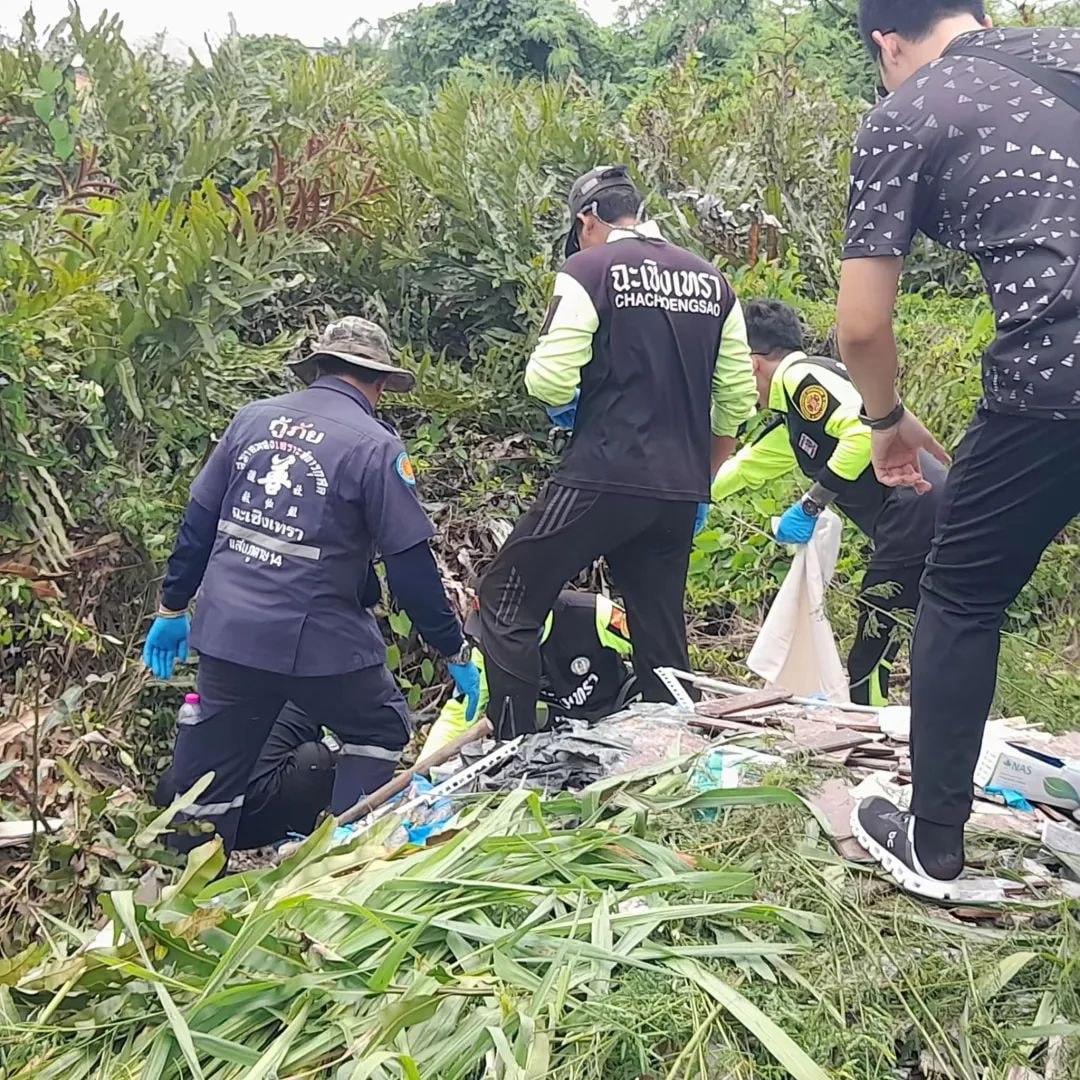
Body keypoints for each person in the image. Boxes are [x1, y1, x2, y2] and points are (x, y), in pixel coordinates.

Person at [836, 2, 1080, 896]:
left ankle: (932, 840)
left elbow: (860, 327)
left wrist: (886, 417)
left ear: (886, 42)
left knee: (962, 593)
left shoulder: (907, 112)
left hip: (1060, 375)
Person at [141, 317, 481, 854]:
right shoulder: (376, 446)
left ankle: (184, 903)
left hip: (228, 635)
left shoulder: (251, 420)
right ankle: (339, 865)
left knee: (212, 772)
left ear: (318, 367)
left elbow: (198, 521)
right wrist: (452, 646)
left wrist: (171, 607)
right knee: (379, 728)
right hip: (321, 641)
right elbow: (410, 569)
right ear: (378, 382)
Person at [478, 165, 757, 738]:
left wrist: (573, 408)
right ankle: (676, 755)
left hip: (603, 474)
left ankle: (512, 751)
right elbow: (734, 398)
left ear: (587, 221)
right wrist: (701, 477)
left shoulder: (588, 269)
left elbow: (549, 380)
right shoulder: (712, 281)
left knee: (505, 599)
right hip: (680, 488)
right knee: (659, 628)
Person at [154, 589, 636, 850]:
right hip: (562, 750)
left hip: (621, 726)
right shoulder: (494, 656)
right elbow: (459, 715)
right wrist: (421, 779)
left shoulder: (590, 615)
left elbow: (646, 659)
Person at [710, 299, 945, 706]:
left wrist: (811, 505)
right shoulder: (798, 411)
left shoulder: (802, 378)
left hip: (916, 505)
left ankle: (869, 725)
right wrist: (691, 495)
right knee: (922, 625)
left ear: (751, 364)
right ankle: (905, 720)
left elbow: (860, 432)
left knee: (876, 632)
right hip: (921, 511)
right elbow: (748, 467)